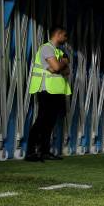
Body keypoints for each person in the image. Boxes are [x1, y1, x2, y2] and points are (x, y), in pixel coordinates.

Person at [26, 26, 72, 162]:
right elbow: (57, 67)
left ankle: (44, 151)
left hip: (57, 90)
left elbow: (65, 71)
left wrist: (59, 66)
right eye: (64, 35)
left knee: (50, 122)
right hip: (46, 89)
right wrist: (62, 62)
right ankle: (30, 152)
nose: (66, 38)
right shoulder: (47, 48)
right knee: (41, 120)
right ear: (57, 34)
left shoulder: (58, 51)